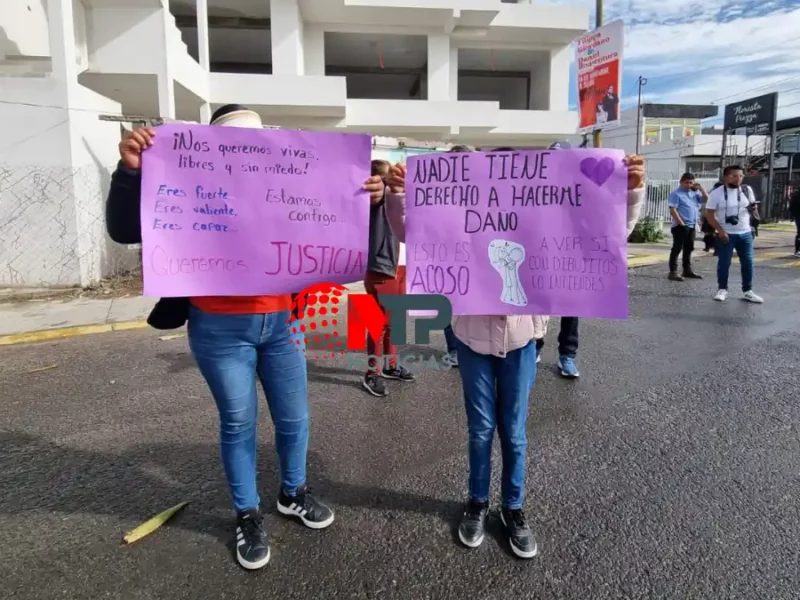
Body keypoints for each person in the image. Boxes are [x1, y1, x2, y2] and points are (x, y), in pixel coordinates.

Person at [105, 104, 386, 570]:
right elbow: (122, 229)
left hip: (282, 323)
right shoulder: (186, 179)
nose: (247, 151)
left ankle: (293, 492)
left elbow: (334, 215)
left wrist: (369, 200)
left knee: (294, 418)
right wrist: (129, 172)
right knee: (238, 422)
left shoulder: (285, 182)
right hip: (218, 327)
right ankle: (247, 513)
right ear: (212, 146)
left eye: (255, 142)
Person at [383, 151, 647, 559]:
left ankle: (513, 508)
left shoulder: (540, 219)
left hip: (522, 342)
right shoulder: (461, 218)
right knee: (481, 429)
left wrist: (630, 190)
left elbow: (608, 229)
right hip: (472, 340)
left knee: (515, 431)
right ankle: (476, 502)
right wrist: (398, 193)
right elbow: (410, 231)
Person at [362, 159, 415, 397]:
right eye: (385, 178)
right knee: (377, 323)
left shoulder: (401, 197)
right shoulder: (375, 197)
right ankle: (372, 373)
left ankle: (390, 366)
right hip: (381, 268)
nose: (390, 181)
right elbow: (379, 194)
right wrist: (383, 188)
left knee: (395, 323)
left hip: (401, 267)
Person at [534, 141, 580, 379]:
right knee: (540, 306)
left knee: (570, 310)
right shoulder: (534, 188)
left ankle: (567, 356)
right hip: (541, 258)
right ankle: (535, 348)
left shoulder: (581, 189)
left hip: (571, 257)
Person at [704, 165, 764, 304]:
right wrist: (720, 230)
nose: (738, 178)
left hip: (745, 233)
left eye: (741, 176)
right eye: (734, 176)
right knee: (724, 263)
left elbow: (753, 206)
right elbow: (709, 214)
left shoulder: (746, 190)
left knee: (748, 263)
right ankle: (722, 290)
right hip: (726, 234)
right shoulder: (716, 193)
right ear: (726, 177)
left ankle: (748, 291)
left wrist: (753, 211)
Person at [667, 173, 707, 281]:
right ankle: (673, 272)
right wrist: (681, 222)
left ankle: (687, 270)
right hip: (681, 226)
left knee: (689, 248)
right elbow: (673, 209)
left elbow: (706, 199)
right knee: (677, 248)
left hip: (692, 225)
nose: (689, 185)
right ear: (681, 182)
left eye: (691, 182)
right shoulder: (676, 194)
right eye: (687, 182)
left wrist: (701, 189)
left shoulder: (694, 193)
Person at [790, 187, 800, 257]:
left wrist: (792, 215)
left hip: (797, 215)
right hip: (797, 215)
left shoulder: (796, 194)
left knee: (799, 233)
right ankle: (797, 250)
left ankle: (797, 250)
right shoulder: (796, 194)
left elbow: (791, 206)